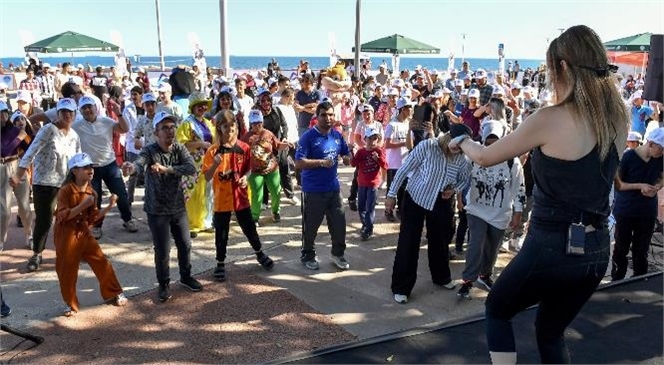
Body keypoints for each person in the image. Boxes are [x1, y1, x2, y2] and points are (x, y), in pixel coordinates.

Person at [448, 25, 629, 364]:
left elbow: (486, 157)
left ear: (562, 67)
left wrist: (462, 139)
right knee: (551, 332)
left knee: (498, 309)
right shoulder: (620, 117)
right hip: (597, 249)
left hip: (550, 245)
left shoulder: (549, 118)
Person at [386, 124, 472, 304]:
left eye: (462, 145)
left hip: (441, 201)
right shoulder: (427, 146)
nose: (457, 148)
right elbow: (404, 169)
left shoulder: (462, 159)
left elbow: (464, 180)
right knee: (409, 241)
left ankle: (441, 277)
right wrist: (392, 195)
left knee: (440, 240)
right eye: (457, 143)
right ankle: (401, 287)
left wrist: (454, 189)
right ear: (449, 137)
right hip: (415, 197)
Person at [121, 112, 202, 302]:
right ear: (156, 132)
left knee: (185, 244)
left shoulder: (179, 149)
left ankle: (185, 276)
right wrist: (130, 168)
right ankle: (164, 284)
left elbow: (190, 168)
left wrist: (168, 170)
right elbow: (139, 165)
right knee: (163, 250)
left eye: (172, 127)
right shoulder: (149, 151)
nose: (169, 131)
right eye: (164, 128)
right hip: (156, 209)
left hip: (178, 207)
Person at [202, 110, 275, 281]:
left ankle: (259, 253)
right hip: (222, 199)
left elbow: (249, 169)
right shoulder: (213, 151)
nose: (230, 130)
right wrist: (215, 165)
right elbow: (206, 176)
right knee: (221, 232)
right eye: (225, 126)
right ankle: (220, 262)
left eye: (232, 125)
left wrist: (245, 178)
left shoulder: (244, 148)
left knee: (249, 227)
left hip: (240, 197)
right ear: (219, 128)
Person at [10, 98, 82, 272]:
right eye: (63, 111)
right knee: (44, 220)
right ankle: (37, 253)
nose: (67, 115)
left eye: (70, 111)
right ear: (57, 113)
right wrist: (19, 174)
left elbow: (77, 159)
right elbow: (31, 152)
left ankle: (68, 251)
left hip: (65, 182)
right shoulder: (47, 130)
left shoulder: (74, 135)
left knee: (68, 219)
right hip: (44, 183)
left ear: (74, 114)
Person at [456, 120, 525, 299]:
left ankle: (485, 275)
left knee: (492, 248)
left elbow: (519, 187)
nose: (492, 143)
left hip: (500, 213)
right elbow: (462, 175)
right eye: (489, 139)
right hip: (476, 209)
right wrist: (458, 195)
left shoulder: (512, 160)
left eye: (496, 139)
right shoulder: (474, 154)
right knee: (475, 244)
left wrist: (518, 212)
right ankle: (467, 281)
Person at [54, 153, 128, 316]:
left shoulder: (91, 192)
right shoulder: (65, 191)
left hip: (83, 232)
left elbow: (93, 217)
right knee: (67, 269)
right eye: (85, 167)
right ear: (74, 171)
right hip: (66, 234)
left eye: (91, 167)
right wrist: (82, 205)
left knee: (101, 260)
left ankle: (114, 292)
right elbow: (62, 216)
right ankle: (70, 303)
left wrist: (109, 206)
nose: (90, 170)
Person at [294, 101, 352, 271]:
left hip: (333, 189)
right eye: (324, 115)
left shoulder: (336, 135)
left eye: (331, 115)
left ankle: (337, 254)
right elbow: (298, 162)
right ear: (317, 117)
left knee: (339, 223)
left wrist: (347, 157)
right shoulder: (308, 137)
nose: (328, 118)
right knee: (311, 226)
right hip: (313, 190)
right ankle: (308, 255)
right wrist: (321, 162)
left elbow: (345, 152)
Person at [72, 95, 137, 239]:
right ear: (80, 111)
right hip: (89, 168)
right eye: (84, 108)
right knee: (95, 199)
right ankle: (96, 226)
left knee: (121, 194)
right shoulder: (76, 126)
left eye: (90, 106)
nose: (88, 110)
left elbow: (124, 129)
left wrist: (119, 113)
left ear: (96, 108)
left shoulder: (106, 121)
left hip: (110, 164)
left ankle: (127, 219)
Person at [611, 128, 664, 281]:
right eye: (661, 149)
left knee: (642, 249)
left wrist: (657, 187)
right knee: (621, 246)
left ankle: (640, 278)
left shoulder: (660, 159)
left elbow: (662, 176)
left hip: (647, 211)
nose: (662, 153)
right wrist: (640, 186)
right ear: (651, 144)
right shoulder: (628, 157)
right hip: (626, 209)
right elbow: (619, 184)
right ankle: (617, 278)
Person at [176, 92, 216, 237]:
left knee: (207, 193)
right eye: (199, 105)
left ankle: (206, 222)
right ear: (192, 107)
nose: (202, 107)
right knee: (192, 195)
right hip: (193, 165)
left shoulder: (208, 123)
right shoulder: (187, 123)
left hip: (208, 164)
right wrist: (200, 143)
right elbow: (181, 144)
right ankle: (192, 224)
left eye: (204, 105)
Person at [1, 106, 34, 250]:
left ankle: (30, 235)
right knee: (5, 211)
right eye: (0, 114)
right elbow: (4, 151)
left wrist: (27, 133)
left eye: (4, 113)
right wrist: (19, 137)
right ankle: (1, 240)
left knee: (25, 206)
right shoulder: (17, 133)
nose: (2, 116)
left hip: (17, 167)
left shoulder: (15, 130)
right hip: (1, 169)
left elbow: (31, 148)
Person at [351, 128, 387, 241]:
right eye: (370, 139)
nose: (372, 142)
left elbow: (385, 166)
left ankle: (368, 229)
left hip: (373, 184)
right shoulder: (361, 152)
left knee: (370, 207)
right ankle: (365, 224)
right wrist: (352, 152)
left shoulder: (379, 151)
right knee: (361, 207)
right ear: (365, 139)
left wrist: (378, 159)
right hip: (361, 183)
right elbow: (353, 164)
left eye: (375, 139)